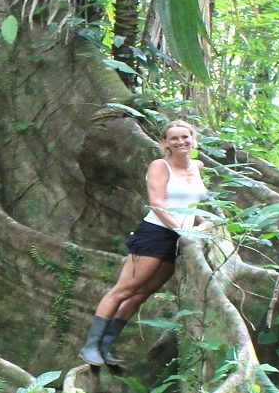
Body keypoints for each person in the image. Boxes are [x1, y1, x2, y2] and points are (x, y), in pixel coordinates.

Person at [79, 120, 210, 366]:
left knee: (141, 294)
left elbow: (190, 205)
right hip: (156, 233)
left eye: (185, 137)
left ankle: (105, 348)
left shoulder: (197, 167)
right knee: (124, 290)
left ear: (193, 138)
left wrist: (205, 224)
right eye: (174, 138)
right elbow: (158, 204)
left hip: (181, 239)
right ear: (165, 143)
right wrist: (183, 230)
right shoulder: (161, 166)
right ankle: (90, 347)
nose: (181, 142)